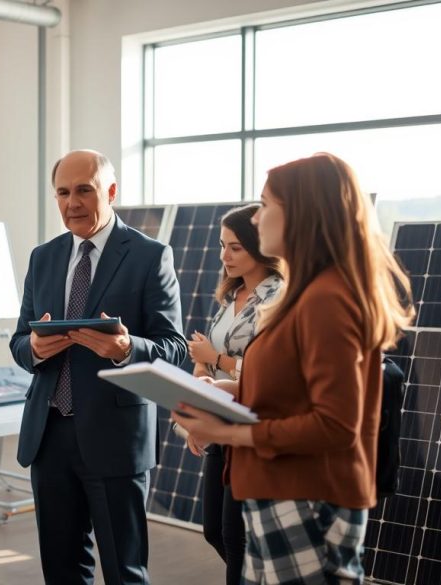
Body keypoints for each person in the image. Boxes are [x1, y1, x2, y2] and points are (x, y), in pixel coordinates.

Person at [172, 153, 413, 584]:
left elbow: (337, 426)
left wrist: (227, 432)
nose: (257, 217)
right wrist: (225, 393)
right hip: (282, 493)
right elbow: (288, 392)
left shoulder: (327, 300)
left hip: (307, 500)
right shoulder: (304, 296)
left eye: (266, 205)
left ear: (301, 216)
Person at [10, 149, 187, 585]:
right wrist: (33, 348)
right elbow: (18, 343)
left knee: (124, 572)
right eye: (63, 192)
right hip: (49, 437)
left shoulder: (150, 256)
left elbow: (175, 348)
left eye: (84, 191)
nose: (72, 203)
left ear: (110, 191)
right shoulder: (43, 257)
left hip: (116, 439)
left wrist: (126, 348)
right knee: (62, 570)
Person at [183, 203, 283, 585]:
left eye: (235, 247)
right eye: (221, 245)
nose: (224, 256)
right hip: (220, 422)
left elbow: (273, 375)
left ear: (261, 247)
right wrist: (198, 405)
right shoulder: (231, 297)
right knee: (214, 530)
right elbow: (202, 359)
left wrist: (218, 360)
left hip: (253, 427)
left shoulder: (279, 299)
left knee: (236, 536)